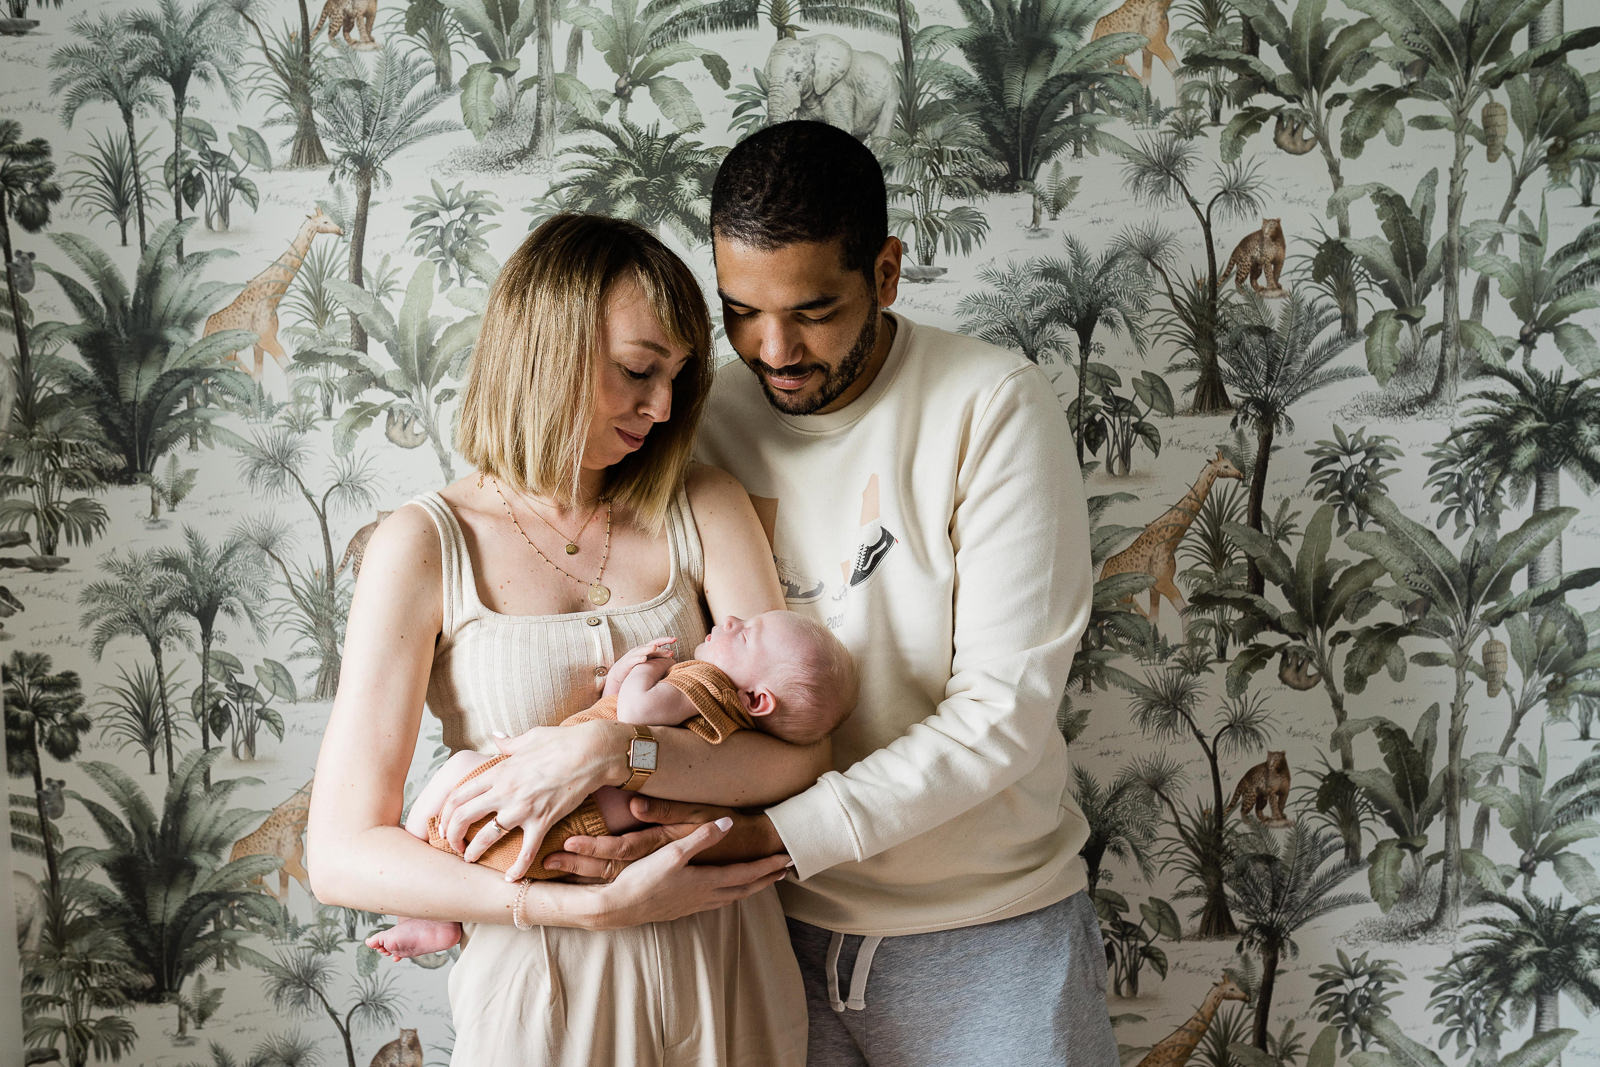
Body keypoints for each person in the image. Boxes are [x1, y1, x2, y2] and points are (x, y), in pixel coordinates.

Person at [553, 121, 1116, 1065]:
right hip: (759, 931)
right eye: (741, 312)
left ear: (887, 273)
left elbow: (1004, 714)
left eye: (813, 310)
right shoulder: (700, 415)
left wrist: (765, 836)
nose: (774, 350)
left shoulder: (992, 406)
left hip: (986, 938)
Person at [305, 213, 824, 1067]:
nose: (661, 409)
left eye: (675, 380)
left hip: (727, 971)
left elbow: (799, 757)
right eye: (636, 371)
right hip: (540, 993)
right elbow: (341, 853)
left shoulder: (704, 504)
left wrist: (621, 753)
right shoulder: (425, 545)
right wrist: (581, 909)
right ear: (545, 346)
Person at [368, 610, 857, 960]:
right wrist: (624, 676)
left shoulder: (704, 681)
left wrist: (649, 668)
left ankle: (424, 904)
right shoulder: (730, 728)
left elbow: (633, 715)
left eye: (747, 635)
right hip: (583, 836)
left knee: (459, 768)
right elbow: (617, 706)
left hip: (557, 815)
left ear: (756, 698)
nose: (730, 621)